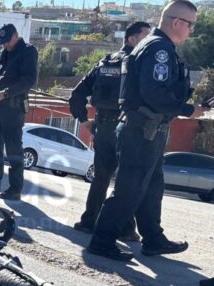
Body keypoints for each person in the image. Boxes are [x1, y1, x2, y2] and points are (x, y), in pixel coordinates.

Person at [88, 1, 205, 261]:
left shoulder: (153, 45)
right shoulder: (159, 49)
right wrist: (186, 110)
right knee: (129, 188)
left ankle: (153, 238)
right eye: (191, 25)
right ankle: (102, 240)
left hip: (146, 129)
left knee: (152, 187)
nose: (191, 31)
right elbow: (153, 92)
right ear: (177, 23)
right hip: (142, 129)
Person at [69, 21, 151, 240]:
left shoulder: (105, 62)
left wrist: (84, 121)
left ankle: (88, 221)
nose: (150, 42)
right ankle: (123, 229)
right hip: (126, 127)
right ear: (132, 39)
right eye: (146, 36)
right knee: (127, 180)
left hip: (102, 126)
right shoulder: (138, 63)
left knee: (101, 178)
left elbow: (76, 95)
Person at [0, 24, 38, 200]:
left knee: (13, 149)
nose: (5, 45)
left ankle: (15, 188)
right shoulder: (6, 52)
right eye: (2, 43)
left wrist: (5, 93)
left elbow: (28, 80)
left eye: (7, 41)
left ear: (16, 35)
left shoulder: (28, 51)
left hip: (13, 107)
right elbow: (2, 76)